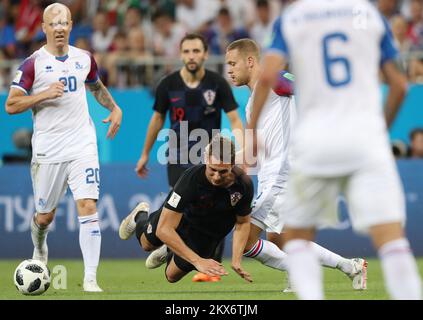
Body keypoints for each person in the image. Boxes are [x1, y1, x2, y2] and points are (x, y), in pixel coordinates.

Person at [249, 0, 422, 300]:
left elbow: (267, 77)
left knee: (297, 242)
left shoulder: (293, 17)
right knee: (393, 242)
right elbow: (399, 85)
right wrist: (379, 130)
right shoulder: (368, 14)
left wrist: (251, 131)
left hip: (316, 140)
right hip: (364, 138)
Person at [226, 38, 367, 292]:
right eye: (227, 64)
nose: (229, 69)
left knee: (245, 241)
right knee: (282, 239)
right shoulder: (250, 105)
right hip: (273, 175)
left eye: (233, 63)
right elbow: (254, 150)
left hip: (282, 174)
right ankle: (351, 266)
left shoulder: (274, 81)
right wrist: (228, 162)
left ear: (250, 61)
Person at [5, 2, 123, 293]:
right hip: (48, 148)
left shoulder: (85, 58)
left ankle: (91, 279)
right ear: (43, 28)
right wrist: (43, 94)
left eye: (64, 23)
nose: (59, 29)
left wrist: (115, 107)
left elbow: (96, 87)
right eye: (53, 24)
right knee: (44, 216)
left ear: (71, 26)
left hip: (82, 143)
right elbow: (11, 104)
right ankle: (40, 244)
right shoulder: (32, 64)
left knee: (88, 205)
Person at [135, 33, 243, 282]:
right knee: (184, 202)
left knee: (216, 206)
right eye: (186, 51)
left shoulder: (217, 84)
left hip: (210, 158)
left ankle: (207, 267)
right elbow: (157, 120)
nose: (191, 56)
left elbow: (235, 119)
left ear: (205, 54)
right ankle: (158, 234)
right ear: (180, 54)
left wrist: (243, 149)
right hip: (179, 156)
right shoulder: (168, 84)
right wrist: (144, 154)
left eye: (196, 51)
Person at [120, 135, 254, 283]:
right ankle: (139, 215)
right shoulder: (190, 179)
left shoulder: (243, 185)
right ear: (205, 159)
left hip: (207, 234)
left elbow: (242, 223)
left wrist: (236, 260)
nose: (216, 177)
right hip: (182, 218)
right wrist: (197, 261)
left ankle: (171, 247)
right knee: (148, 244)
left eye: (223, 172)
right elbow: (164, 229)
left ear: (233, 164)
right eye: (212, 169)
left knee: (171, 276)